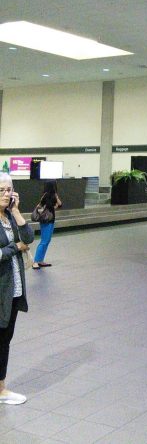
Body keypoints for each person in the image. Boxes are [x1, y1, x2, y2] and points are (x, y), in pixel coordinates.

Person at [0, 173, 35, 405]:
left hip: (12, 290)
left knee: (5, 339)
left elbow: (29, 237)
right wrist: (15, 247)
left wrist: (16, 212)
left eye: (9, 189)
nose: (6, 194)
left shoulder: (9, 217)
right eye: (2, 190)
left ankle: (1, 387)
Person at [32, 180, 62, 270]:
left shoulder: (50, 195)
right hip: (47, 220)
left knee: (47, 240)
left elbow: (59, 204)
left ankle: (40, 260)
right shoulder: (48, 196)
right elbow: (59, 204)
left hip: (49, 219)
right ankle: (35, 262)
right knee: (44, 241)